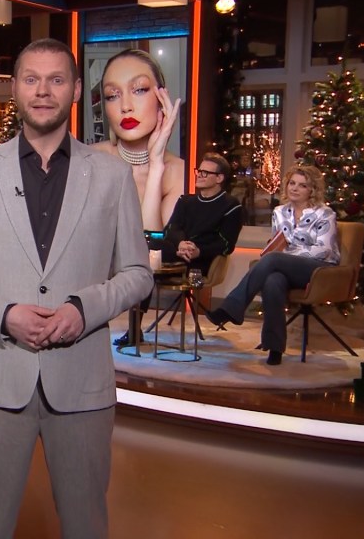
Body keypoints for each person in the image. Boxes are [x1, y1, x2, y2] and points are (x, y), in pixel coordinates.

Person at [0, 38, 153, 539]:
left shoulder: (113, 176)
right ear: (14, 88)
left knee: (85, 526)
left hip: (82, 383)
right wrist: (4, 314)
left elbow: (137, 273)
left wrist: (83, 309)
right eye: (31, 79)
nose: (42, 91)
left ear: (75, 90)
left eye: (56, 80)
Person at [207, 164, 340, 365]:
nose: (294, 188)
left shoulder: (325, 213)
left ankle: (231, 308)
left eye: (302, 185)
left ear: (312, 190)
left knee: (272, 259)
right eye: (292, 183)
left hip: (319, 269)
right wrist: (280, 254)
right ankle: (274, 347)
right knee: (273, 281)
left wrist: (286, 255)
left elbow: (324, 250)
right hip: (286, 266)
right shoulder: (279, 212)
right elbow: (278, 243)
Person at [114, 153, 244, 346]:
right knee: (146, 252)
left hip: (201, 263)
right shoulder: (186, 201)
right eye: (199, 171)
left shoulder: (231, 207)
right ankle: (134, 329)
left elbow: (225, 244)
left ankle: (134, 325)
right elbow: (171, 229)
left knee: (149, 263)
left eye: (205, 172)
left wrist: (198, 250)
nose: (199, 175)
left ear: (219, 178)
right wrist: (181, 243)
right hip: (177, 252)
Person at [95, 49, 184, 231]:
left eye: (139, 90)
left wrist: (155, 165)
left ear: (162, 99)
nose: (125, 106)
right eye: (112, 96)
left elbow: (151, 245)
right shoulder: (87, 160)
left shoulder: (180, 173)